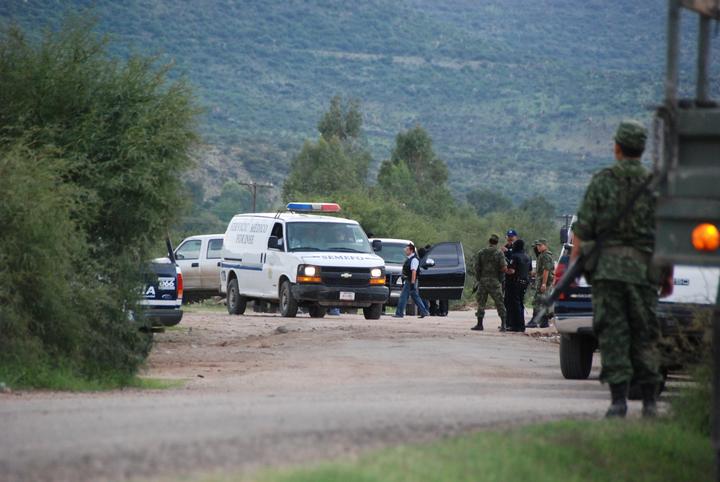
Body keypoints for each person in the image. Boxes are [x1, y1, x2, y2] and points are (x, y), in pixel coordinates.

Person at [571, 120, 662, 418]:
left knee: (613, 333)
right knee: (645, 332)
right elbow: (667, 234)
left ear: (617, 148)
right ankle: (649, 402)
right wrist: (667, 273)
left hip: (608, 273)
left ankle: (619, 401)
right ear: (642, 148)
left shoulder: (602, 181)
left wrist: (576, 266)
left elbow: (582, 229)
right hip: (644, 272)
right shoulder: (655, 184)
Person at [472, 234, 510, 331]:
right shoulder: (499, 253)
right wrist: (501, 279)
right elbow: (503, 268)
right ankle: (503, 324)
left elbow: (477, 267)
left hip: (483, 281)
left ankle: (479, 324)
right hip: (495, 281)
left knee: (481, 303)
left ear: (489, 241)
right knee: (499, 302)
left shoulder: (481, 252)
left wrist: (479, 279)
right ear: (496, 243)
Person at [394, 243, 430, 318]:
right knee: (415, 297)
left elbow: (414, 272)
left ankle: (399, 313)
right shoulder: (410, 259)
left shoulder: (414, 259)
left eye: (407, 250)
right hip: (409, 280)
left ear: (411, 250)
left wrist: (413, 283)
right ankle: (424, 311)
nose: (405, 251)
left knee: (403, 297)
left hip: (410, 281)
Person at [505, 239, 532, 332]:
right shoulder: (528, 257)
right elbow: (530, 271)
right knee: (520, 303)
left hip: (514, 283)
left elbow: (511, 271)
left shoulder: (514, 256)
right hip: (524, 282)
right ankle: (521, 325)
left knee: (514, 304)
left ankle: (516, 326)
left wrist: (504, 269)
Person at [527, 239, 554, 328]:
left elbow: (546, 270)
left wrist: (544, 284)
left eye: (540, 245)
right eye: (537, 246)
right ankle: (544, 322)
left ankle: (535, 321)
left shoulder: (546, 256)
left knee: (537, 301)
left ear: (545, 245)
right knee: (542, 301)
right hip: (543, 281)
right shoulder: (542, 255)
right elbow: (541, 270)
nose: (537, 247)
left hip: (544, 282)